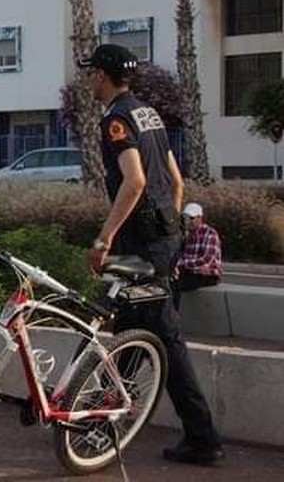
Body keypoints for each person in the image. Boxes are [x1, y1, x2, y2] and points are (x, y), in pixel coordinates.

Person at [80, 43, 223, 466]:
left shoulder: (118, 120)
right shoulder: (148, 112)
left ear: (102, 76)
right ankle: (105, 421)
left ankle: (203, 437)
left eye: (91, 73)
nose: (88, 79)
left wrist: (104, 238)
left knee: (165, 338)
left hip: (140, 243)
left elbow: (135, 181)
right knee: (125, 325)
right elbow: (176, 181)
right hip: (159, 238)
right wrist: (171, 230)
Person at [175, 202, 222, 310]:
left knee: (175, 286)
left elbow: (206, 260)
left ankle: (173, 316)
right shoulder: (186, 234)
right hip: (190, 272)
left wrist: (181, 264)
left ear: (199, 218)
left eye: (191, 218)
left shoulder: (210, 233)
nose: (188, 221)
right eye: (185, 218)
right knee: (165, 283)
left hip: (207, 275)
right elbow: (181, 255)